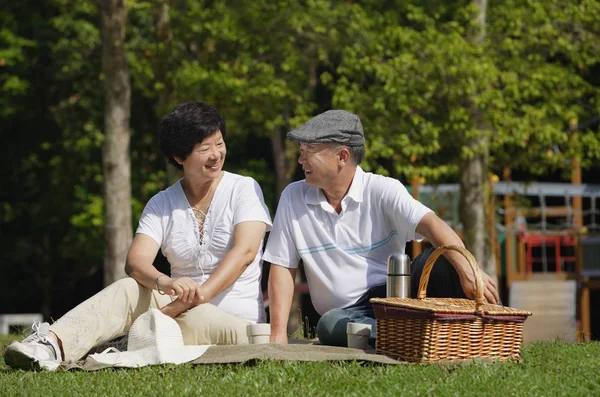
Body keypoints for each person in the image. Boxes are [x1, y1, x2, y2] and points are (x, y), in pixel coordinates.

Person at [5, 102, 273, 370]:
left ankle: (124, 342)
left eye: (219, 143)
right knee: (128, 288)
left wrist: (195, 298)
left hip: (236, 323)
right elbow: (135, 262)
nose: (216, 154)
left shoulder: (244, 188)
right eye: (204, 149)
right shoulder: (161, 203)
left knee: (194, 318)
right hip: (176, 307)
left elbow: (244, 254)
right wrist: (166, 283)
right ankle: (50, 345)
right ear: (179, 158)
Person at [263, 109, 499, 347]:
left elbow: (432, 224)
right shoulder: (292, 197)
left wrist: (469, 271)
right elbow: (282, 266)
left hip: (399, 297)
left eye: (308, 152)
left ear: (342, 156)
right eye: (301, 152)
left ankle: (488, 329)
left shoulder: (382, 189)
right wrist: (278, 334)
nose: (300, 160)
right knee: (329, 325)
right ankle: (419, 333)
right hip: (347, 315)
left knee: (444, 260)